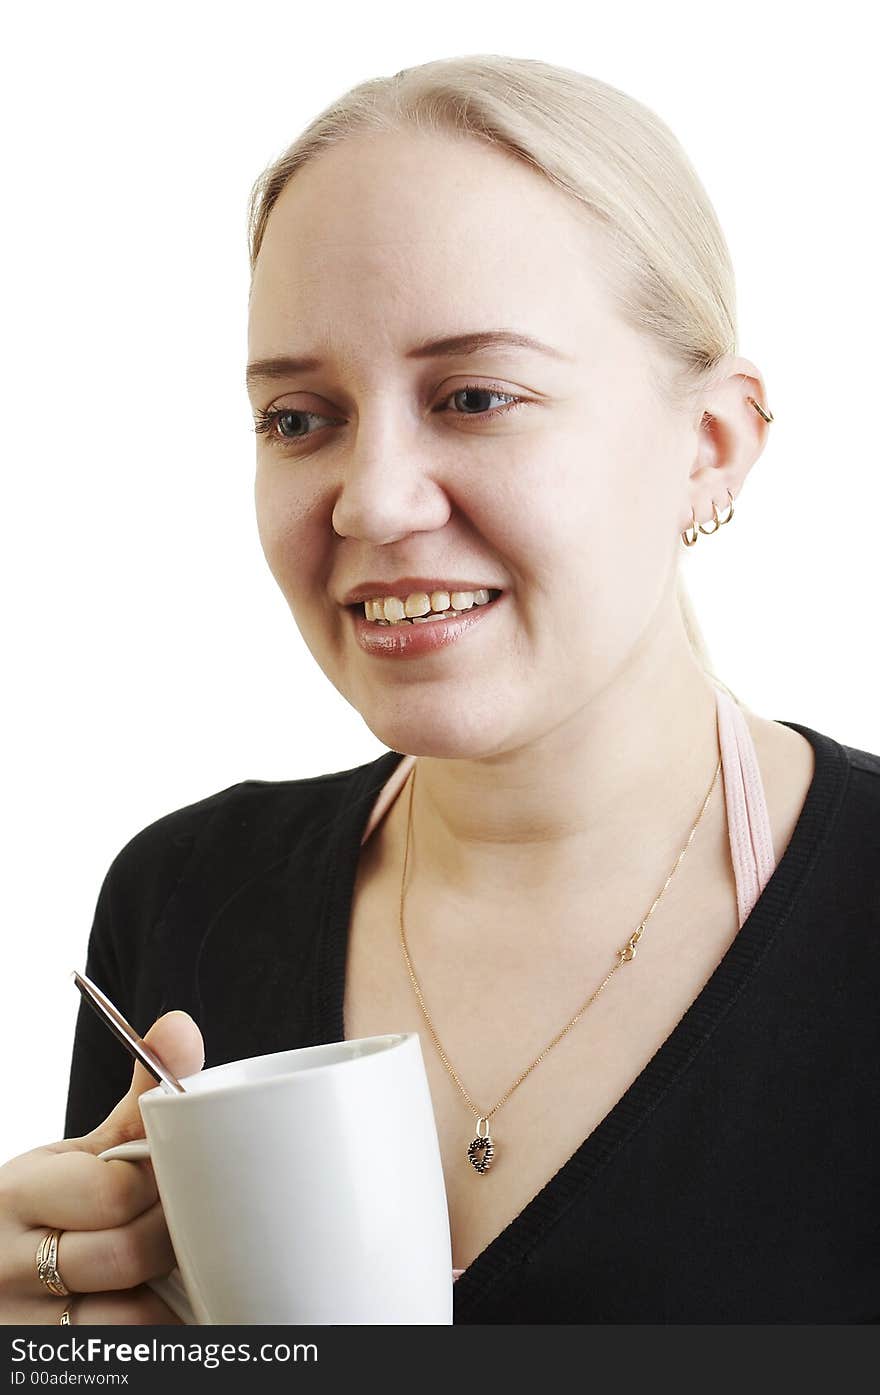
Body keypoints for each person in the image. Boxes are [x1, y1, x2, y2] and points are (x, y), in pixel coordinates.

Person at [2, 53, 878, 1327]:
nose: (371, 498)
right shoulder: (181, 898)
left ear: (710, 447)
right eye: (301, 419)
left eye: (474, 397)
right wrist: (50, 1343)